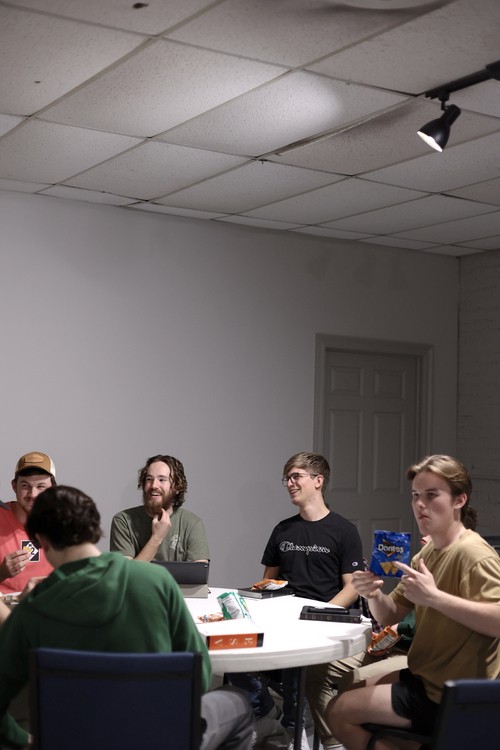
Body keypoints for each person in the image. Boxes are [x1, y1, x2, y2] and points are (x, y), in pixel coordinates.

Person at [0, 485, 253, 750]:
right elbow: (200, 677)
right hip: (160, 738)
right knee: (236, 701)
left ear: (41, 540)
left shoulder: (32, 610)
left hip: (74, 740)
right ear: (93, 526)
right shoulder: (157, 581)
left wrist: (27, 742)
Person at [327, 454, 500, 750]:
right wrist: (373, 594)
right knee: (346, 694)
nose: (420, 504)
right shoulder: (428, 552)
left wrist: (435, 598)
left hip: (451, 693)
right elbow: (391, 615)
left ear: (459, 500)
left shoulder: (474, 555)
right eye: (416, 495)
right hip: (424, 676)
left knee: (339, 713)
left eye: (432, 495)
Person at [229, 452, 364, 750]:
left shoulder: (344, 531)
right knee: (232, 650)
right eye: (287, 478)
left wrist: (318, 614)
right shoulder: (283, 530)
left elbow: (352, 587)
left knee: (295, 659)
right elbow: (267, 581)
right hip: (280, 617)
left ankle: (295, 731)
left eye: (296, 477)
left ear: (318, 481)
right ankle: (266, 710)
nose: (289, 483)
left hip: (320, 621)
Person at [110, 453, 209, 562]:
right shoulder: (124, 521)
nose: (154, 485)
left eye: (162, 480)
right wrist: (156, 538)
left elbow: (198, 571)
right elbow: (125, 572)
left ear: (177, 487)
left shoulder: (192, 523)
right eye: (149, 479)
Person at [0, 451, 56, 594]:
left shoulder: (61, 522)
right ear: (14, 486)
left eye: (41, 486)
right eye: (25, 486)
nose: (33, 494)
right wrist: (1, 573)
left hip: (46, 604)